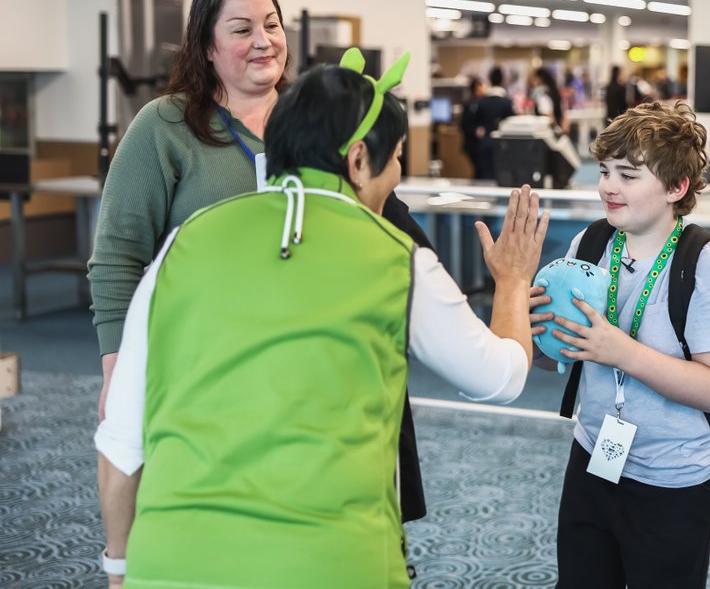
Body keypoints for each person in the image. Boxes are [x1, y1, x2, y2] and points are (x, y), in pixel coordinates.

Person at [94, 59, 550, 589]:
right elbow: (499, 377)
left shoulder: (184, 242)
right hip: (330, 564)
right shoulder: (395, 258)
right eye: (396, 159)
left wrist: (120, 569)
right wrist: (514, 282)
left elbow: (121, 443)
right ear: (359, 160)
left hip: (173, 563)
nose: (397, 175)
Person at [532, 101, 710, 588]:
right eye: (605, 170)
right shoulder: (589, 245)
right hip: (592, 455)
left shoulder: (705, 264)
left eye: (628, 175)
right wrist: (536, 329)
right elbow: (552, 358)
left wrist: (620, 350)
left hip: (672, 477)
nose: (608, 185)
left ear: (676, 187)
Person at [89, 0, 290, 417]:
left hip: (296, 352)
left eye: (272, 25)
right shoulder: (165, 125)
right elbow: (117, 255)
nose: (264, 40)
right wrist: (116, 367)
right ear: (206, 47)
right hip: (195, 356)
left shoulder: (312, 122)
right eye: (242, 30)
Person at [466, 66, 515, 180]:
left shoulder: (480, 102)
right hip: (503, 145)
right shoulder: (507, 102)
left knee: (484, 176)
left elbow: (473, 123)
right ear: (503, 80)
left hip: (484, 144)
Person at [530, 66, 568, 130]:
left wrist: (555, 129)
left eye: (534, 79)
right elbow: (563, 115)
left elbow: (549, 116)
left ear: (540, 79)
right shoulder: (554, 92)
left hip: (547, 131)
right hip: (558, 128)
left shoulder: (542, 95)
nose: (532, 81)